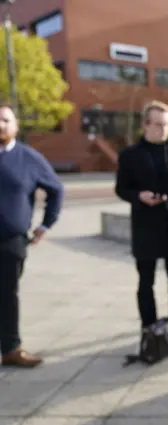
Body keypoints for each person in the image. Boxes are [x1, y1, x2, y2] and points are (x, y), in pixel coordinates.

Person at [115, 100, 168, 352]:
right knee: (146, 282)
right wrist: (139, 196)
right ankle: (149, 331)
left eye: (167, 125)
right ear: (145, 125)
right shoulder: (130, 155)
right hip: (145, 225)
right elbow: (121, 188)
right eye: (158, 124)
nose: (163, 129)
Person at [0, 103, 63, 368]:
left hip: (11, 240)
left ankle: (11, 348)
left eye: (5, 120)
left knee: (7, 294)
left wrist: (45, 225)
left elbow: (56, 189)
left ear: (15, 126)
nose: (0, 125)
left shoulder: (28, 157)